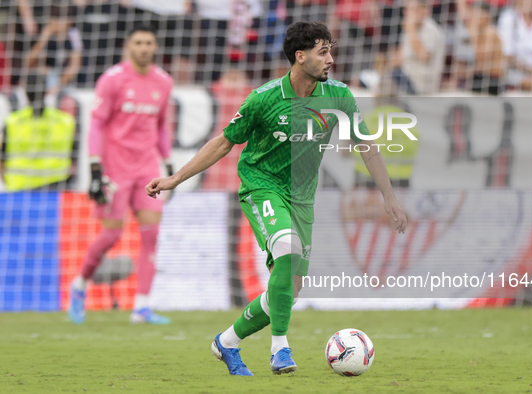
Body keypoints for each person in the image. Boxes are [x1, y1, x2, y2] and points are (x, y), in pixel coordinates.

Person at [146, 21, 407, 375]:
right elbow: (224, 141)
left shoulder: (339, 96)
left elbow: (366, 146)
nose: (331, 58)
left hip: (301, 198)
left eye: (331, 50)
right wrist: (176, 179)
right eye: (323, 51)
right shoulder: (264, 98)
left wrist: (389, 197)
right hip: (261, 185)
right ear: (300, 57)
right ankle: (280, 349)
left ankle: (226, 342)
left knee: (288, 291)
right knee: (286, 247)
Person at [68, 24, 174, 325]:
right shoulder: (113, 79)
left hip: (147, 169)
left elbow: (162, 126)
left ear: (155, 47)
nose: (144, 47)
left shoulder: (163, 82)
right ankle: (79, 285)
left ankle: (141, 306)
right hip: (115, 169)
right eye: (138, 42)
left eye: (149, 43)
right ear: (129, 46)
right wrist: (95, 166)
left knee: (151, 234)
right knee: (111, 235)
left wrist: (167, 165)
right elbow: (98, 124)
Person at [0, 71, 75, 191]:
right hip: (56, 188)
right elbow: (74, 157)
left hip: (20, 188)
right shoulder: (65, 121)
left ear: (24, 92)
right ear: (46, 90)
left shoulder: (13, 122)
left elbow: (2, 159)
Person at [388, 0, 446, 95]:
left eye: (414, 9)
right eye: (407, 10)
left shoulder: (431, 29)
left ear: (425, 11)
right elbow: (398, 59)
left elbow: (424, 57)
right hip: (405, 76)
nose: (409, 13)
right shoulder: (410, 29)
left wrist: (411, 31)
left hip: (420, 83)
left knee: (389, 81)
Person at [464, 1, 505, 95]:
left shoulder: (492, 32)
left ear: (487, 15)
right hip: (479, 78)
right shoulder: (476, 31)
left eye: (476, 14)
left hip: (493, 81)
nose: (473, 17)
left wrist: (473, 36)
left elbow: (482, 60)